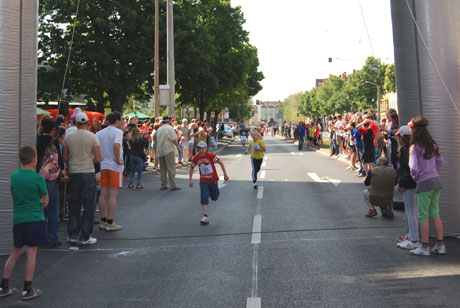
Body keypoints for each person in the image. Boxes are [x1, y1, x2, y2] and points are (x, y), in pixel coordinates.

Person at [0, 146, 48, 300]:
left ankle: (4, 286)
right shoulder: (38, 177)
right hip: (34, 217)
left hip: (19, 218)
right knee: (32, 252)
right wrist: (41, 203)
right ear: (34, 159)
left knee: (16, 251)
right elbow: (45, 200)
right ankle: (27, 289)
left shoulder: (14, 176)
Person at [408, 116, 446, 256]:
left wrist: (416, 177)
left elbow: (414, 167)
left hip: (424, 182)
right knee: (435, 213)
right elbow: (441, 163)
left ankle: (424, 246)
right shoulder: (433, 146)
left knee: (423, 215)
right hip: (436, 180)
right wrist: (433, 171)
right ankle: (440, 245)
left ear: (414, 131)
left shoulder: (415, 148)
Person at [63, 112, 102, 245]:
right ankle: (85, 236)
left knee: (74, 204)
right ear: (87, 123)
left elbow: (65, 158)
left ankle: (73, 234)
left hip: (74, 172)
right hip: (88, 172)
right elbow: (98, 158)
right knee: (89, 205)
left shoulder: (68, 137)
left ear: (76, 123)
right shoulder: (93, 137)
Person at [36, 118, 65, 247]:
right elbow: (60, 163)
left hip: (38, 178)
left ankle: (40, 236)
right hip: (51, 179)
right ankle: (52, 237)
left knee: (40, 209)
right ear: (54, 129)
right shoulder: (54, 142)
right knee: (53, 209)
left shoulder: (35, 140)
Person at [189, 141, 229, 225]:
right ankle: (205, 216)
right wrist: (190, 180)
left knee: (214, 197)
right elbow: (192, 167)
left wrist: (225, 174)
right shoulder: (196, 158)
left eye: (202, 149)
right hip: (203, 181)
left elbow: (220, 163)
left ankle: (214, 192)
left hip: (213, 180)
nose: (201, 151)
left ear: (206, 149)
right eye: (199, 149)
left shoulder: (210, 156)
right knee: (204, 197)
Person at [96, 111, 124, 231]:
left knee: (103, 194)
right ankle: (110, 221)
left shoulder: (99, 133)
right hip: (114, 165)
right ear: (117, 120)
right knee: (113, 195)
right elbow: (116, 145)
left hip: (103, 164)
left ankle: (103, 220)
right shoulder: (118, 132)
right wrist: (118, 159)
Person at [396, 125, 419, 250]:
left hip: (410, 184)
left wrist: (403, 184)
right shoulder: (411, 148)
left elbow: (408, 169)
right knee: (412, 211)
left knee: (411, 212)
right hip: (414, 183)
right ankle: (412, 235)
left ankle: (414, 239)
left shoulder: (407, 150)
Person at [156, 116, 182, 190]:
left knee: (163, 168)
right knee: (171, 167)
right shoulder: (169, 128)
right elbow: (174, 139)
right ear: (169, 121)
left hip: (160, 150)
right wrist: (178, 147)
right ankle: (173, 185)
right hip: (168, 149)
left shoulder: (159, 129)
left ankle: (163, 184)